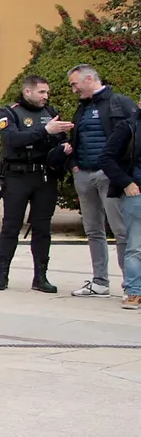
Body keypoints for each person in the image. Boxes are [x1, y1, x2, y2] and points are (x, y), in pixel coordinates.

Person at [61, 65, 136, 298]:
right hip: (83, 174)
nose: (73, 89)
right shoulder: (82, 108)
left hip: (110, 176)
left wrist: (123, 173)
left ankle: (131, 285)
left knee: (122, 231)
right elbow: (78, 139)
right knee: (93, 230)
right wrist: (73, 164)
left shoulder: (119, 103)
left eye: (75, 84)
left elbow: (133, 138)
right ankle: (100, 282)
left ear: (90, 78)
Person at [0, 76, 62, 293]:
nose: (46, 97)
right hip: (17, 176)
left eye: (47, 93)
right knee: (11, 226)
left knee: (42, 228)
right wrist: (44, 132)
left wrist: (63, 147)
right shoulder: (9, 113)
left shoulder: (50, 113)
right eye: (41, 92)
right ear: (28, 92)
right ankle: (2, 275)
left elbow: (57, 141)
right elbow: (12, 140)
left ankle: (41, 277)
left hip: (43, 177)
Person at [100, 95, 141, 310]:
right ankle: (134, 291)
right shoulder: (128, 127)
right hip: (136, 193)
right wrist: (126, 183)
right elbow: (106, 158)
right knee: (135, 246)